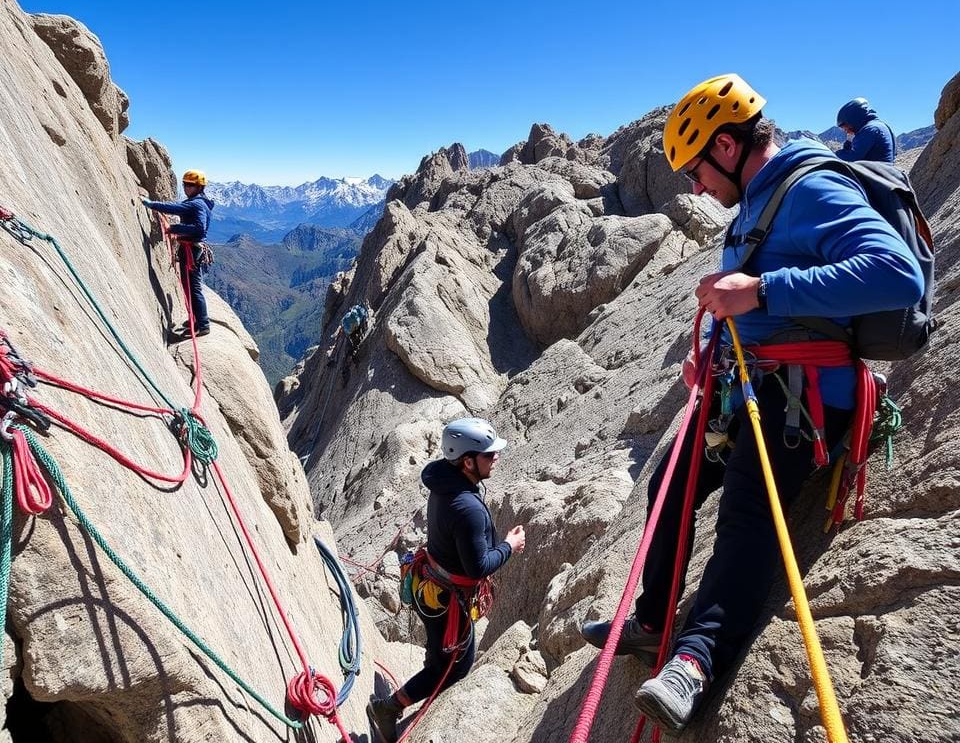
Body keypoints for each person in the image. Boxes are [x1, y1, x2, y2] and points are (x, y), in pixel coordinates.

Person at [580, 74, 923, 732]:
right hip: (746, 385)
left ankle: (696, 661)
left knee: (747, 514)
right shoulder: (761, 201)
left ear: (730, 147)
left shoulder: (811, 189)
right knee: (671, 487)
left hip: (803, 397)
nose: (691, 186)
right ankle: (654, 618)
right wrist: (708, 346)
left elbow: (895, 273)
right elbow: (742, 294)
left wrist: (762, 292)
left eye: (696, 168)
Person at [367, 417, 526, 743]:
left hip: (431, 586)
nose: (496, 457)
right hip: (446, 599)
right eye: (488, 454)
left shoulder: (443, 480)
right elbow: (478, 568)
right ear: (467, 461)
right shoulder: (467, 508)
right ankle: (390, 707)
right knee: (453, 666)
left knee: (443, 655)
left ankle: (417, 684)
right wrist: (510, 545)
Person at [142, 170, 215, 339]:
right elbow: (176, 208)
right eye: (185, 184)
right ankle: (196, 320)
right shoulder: (198, 203)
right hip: (191, 248)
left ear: (198, 187)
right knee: (189, 286)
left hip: (191, 250)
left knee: (193, 287)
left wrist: (173, 227)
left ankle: (202, 325)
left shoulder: (196, 204)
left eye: (189, 185)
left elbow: (199, 228)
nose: (185, 187)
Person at [835, 97, 896, 162]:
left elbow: (853, 157)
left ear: (853, 118)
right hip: (882, 169)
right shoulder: (880, 125)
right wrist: (849, 142)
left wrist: (833, 155)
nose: (846, 131)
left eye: (845, 126)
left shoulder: (870, 129)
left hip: (874, 170)